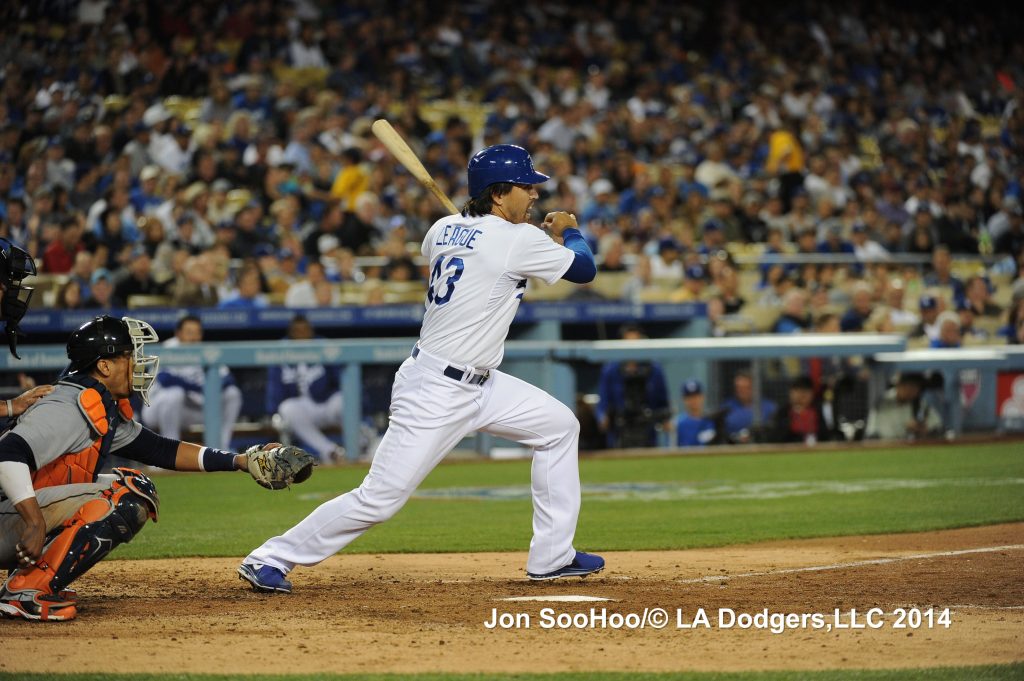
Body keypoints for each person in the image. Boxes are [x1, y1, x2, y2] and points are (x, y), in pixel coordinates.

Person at [239, 143, 603, 593]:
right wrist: (568, 231)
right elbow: (585, 271)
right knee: (380, 499)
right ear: (497, 193)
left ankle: (552, 556)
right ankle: (269, 557)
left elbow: (474, 250)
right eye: (525, 186)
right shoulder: (518, 239)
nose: (534, 194)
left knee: (559, 427)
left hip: (482, 383)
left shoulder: (442, 228)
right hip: (436, 389)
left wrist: (495, 236)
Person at [0, 315, 309, 621]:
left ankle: (30, 578)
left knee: (133, 484)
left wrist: (238, 461)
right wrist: (34, 522)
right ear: (104, 366)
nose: (136, 364)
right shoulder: (67, 404)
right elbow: (8, 451)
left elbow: (161, 449)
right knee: (121, 496)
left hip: (11, 517)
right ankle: (25, 590)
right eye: (128, 356)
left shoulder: (96, 403)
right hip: (9, 519)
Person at [141, 315, 242, 448]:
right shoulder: (169, 348)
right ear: (178, 334)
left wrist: (211, 388)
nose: (194, 337)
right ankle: (169, 450)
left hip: (191, 409)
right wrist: (201, 388)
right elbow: (165, 379)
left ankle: (221, 447)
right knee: (175, 394)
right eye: (189, 333)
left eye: (197, 333)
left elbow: (228, 379)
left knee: (232, 394)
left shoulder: (204, 350)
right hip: (157, 410)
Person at [267, 316, 344, 463]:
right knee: (287, 408)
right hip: (302, 409)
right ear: (291, 333)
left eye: (305, 331)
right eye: (297, 331)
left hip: (326, 403)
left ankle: (360, 444)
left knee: (343, 399)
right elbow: (275, 387)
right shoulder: (280, 350)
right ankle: (330, 451)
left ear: (311, 331)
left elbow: (340, 379)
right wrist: (272, 412)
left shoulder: (323, 346)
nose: (302, 335)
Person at [595, 324, 671, 448]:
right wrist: (602, 418)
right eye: (628, 344)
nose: (632, 349)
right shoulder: (610, 370)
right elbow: (603, 403)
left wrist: (665, 419)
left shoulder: (653, 370)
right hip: (619, 432)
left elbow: (663, 402)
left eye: (635, 343)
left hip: (647, 431)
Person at [865, 372, 942, 441]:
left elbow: (937, 427)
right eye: (910, 386)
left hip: (907, 450)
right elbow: (872, 434)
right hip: (882, 448)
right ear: (899, 384)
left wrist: (923, 430)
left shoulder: (920, 404)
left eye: (917, 387)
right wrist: (904, 427)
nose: (914, 391)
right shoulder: (883, 402)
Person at [766, 375, 833, 444]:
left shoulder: (818, 411)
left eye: (805, 392)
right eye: (797, 391)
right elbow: (774, 438)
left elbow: (825, 436)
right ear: (791, 393)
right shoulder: (783, 413)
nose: (801, 395)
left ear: (812, 394)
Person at [720, 371, 777, 443]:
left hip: (762, 447)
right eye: (738, 387)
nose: (741, 391)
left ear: (754, 388)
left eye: (745, 387)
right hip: (733, 447)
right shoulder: (726, 408)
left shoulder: (769, 407)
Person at [674, 380, 719, 447]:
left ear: (702, 397)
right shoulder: (677, 423)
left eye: (696, 396)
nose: (693, 400)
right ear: (684, 399)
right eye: (689, 397)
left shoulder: (713, 420)